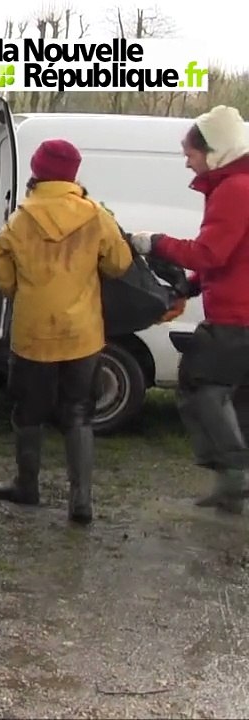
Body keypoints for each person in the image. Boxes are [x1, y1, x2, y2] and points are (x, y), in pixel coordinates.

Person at [0, 139, 134, 524]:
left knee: (28, 411)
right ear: (72, 174)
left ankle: (27, 486)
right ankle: (81, 500)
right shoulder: (96, 215)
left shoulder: (21, 220)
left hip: (34, 332)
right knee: (78, 412)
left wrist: (19, 288)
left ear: (37, 170)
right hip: (82, 333)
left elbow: (0, 267)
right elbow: (120, 264)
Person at [128, 105, 249, 514]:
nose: (186, 161)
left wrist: (155, 243)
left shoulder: (235, 189)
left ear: (214, 152)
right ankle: (232, 486)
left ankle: (233, 475)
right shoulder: (240, 184)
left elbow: (211, 253)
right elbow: (234, 259)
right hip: (241, 309)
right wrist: (191, 289)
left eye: (191, 154)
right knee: (238, 398)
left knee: (200, 387)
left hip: (237, 317)